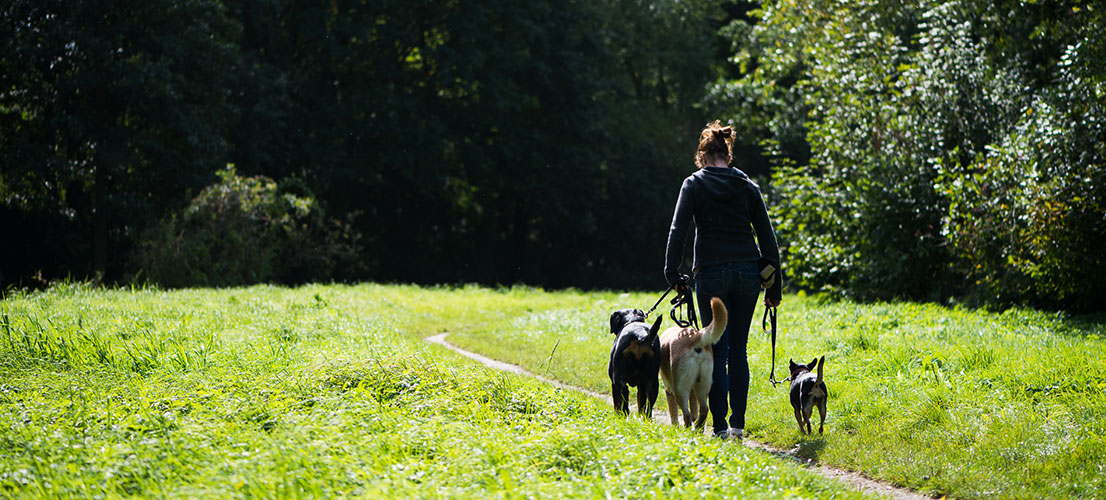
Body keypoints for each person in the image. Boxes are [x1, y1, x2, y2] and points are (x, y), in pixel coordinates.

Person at [663, 120, 783, 440]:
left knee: (716, 351)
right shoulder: (747, 186)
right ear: (727, 155)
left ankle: (718, 427)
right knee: (738, 351)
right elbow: (769, 242)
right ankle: (738, 425)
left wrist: (672, 273)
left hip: (711, 275)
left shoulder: (693, 184)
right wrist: (775, 288)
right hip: (747, 273)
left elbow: (678, 230)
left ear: (702, 156)